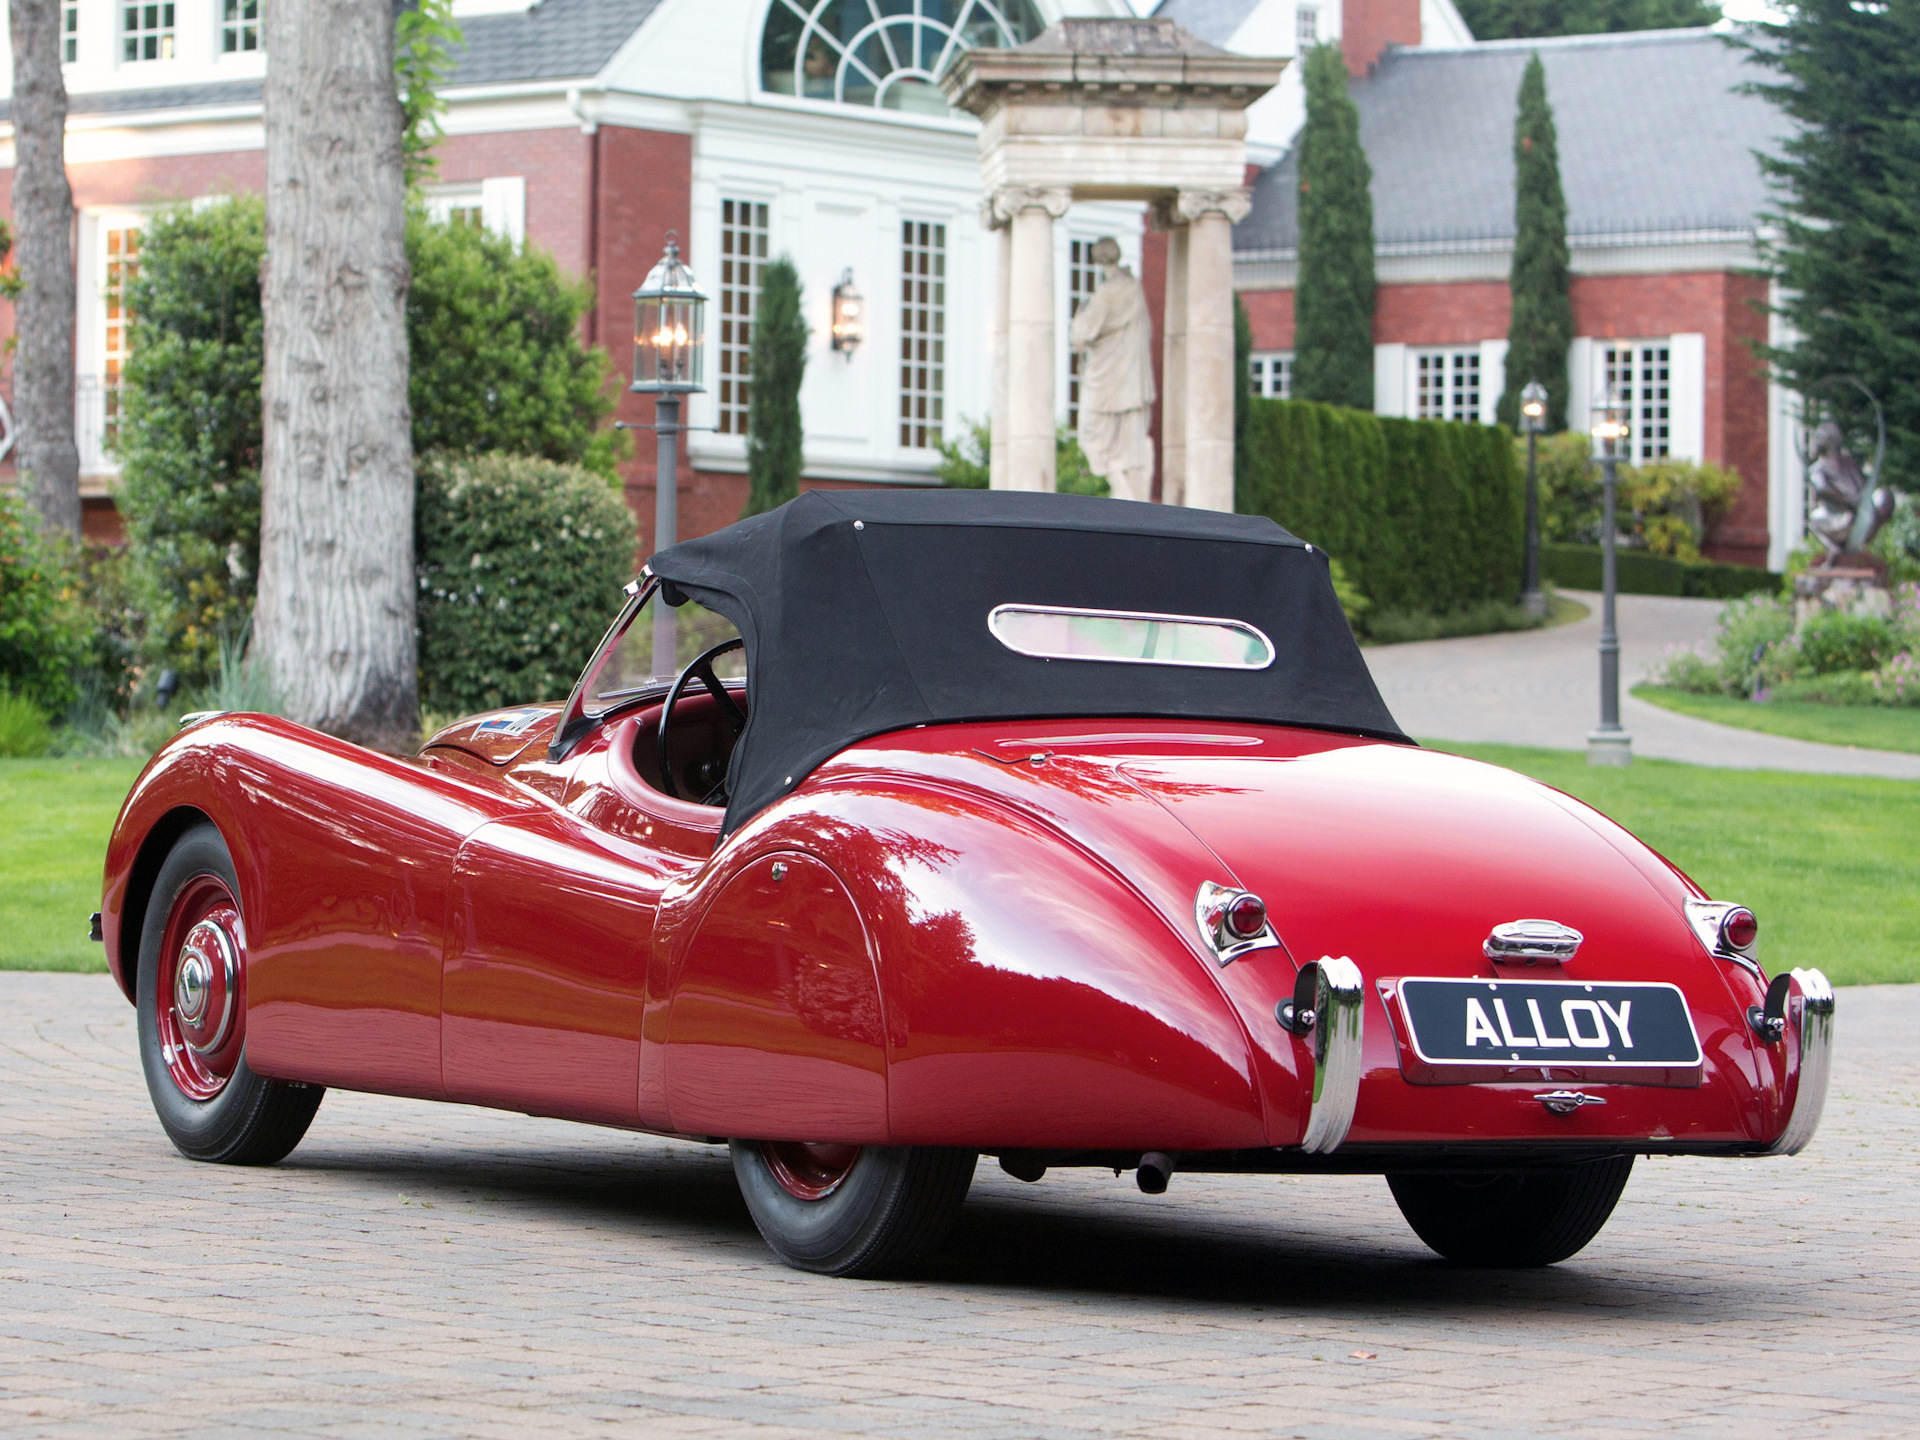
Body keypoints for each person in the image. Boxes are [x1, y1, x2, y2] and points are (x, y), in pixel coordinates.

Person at [1068, 237, 1156, 503]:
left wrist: (1081, 312)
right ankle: (1127, 493)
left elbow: (1080, 335)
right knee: (1127, 446)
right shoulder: (1133, 289)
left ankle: (1124, 491)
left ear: (1098, 260)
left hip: (1107, 378)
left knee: (1090, 437)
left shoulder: (1106, 294)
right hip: (1129, 378)